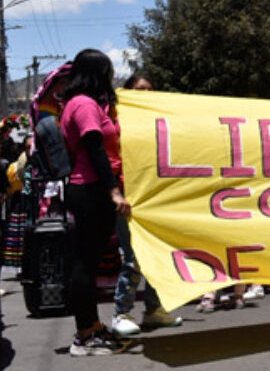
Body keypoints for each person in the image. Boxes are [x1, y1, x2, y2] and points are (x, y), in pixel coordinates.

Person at [60, 49, 132, 356]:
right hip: (90, 189)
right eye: (106, 72)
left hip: (90, 188)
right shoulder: (85, 106)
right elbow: (95, 151)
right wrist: (113, 191)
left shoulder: (82, 104)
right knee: (84, 264)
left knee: (87, 262)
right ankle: (84, 335)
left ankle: (92, 326)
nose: (109, 78)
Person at [111, 74, 183, 337]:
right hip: (131, 199)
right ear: (127, 92)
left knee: (158, 257)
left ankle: (153, 311)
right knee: (132, 259)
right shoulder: (118, 123)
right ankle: (121, 313)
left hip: (156, 199)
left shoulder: (160, 123)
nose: (146, 94)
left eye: (150, 90)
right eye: (140, 90)